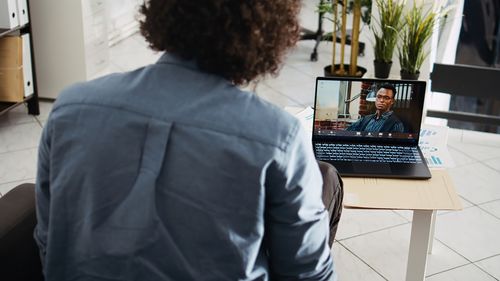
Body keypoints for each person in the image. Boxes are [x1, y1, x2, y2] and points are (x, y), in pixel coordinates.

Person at [34, 1, 338, 280]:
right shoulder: (279, 136)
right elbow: (307, 275)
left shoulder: (70, 107)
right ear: (269, 31)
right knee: (327, 179)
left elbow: (49, 241)